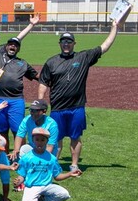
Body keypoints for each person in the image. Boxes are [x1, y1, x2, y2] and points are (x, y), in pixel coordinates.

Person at [37, 13, 129, 171]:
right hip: (57, 108)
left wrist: (114, 28)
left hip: (76, 107)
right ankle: (51, 164)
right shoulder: (51, 62)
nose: (66, 44)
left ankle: (74, 165)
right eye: (63, 41)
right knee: (55, 138)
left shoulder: (83, 57)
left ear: (74, 43)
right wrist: (40, 102)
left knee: (75, 137)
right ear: (60, 43)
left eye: (69, 41)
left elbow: (104, 47)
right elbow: (43, 82)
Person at [14, 127, 82, 201]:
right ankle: (36, 199)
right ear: (33, 140)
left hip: (47, 186)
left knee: (64, 194)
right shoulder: (26, 157)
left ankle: (44, 200)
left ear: (47, 141)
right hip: (32, 186)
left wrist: (70, 174)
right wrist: (19, 181)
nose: (40, 142)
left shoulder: (52, 158)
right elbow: (22, 175)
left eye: (42, 140)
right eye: (37, 139)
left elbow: (57, 176)